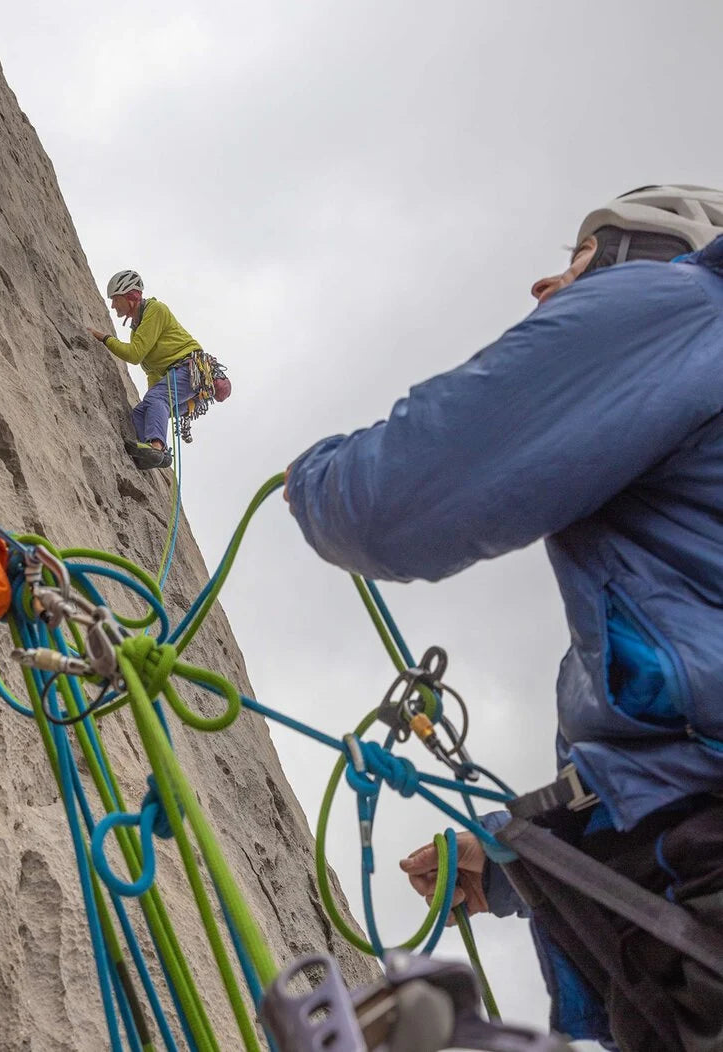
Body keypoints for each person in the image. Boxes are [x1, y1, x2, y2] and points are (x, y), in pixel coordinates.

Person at [284, 185, 723, 1050]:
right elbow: (676, 746)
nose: (545, 285)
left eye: (581, 255)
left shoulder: (678, 303)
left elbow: (392, 502)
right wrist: (508, 855)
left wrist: (309, 475)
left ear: (647, 252)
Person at [89, 270, 204, 470]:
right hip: (178, 376)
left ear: (130, 297)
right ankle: (154, 455)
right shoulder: (137, 327)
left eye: (116, 299)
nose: (113, 305)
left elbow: (134, 355)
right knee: (140, 412)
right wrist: (152, 396)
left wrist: (104, 338)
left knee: (157, 400)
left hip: (189, 369)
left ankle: (156, 447)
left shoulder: (155, 310)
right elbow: (151, 370)